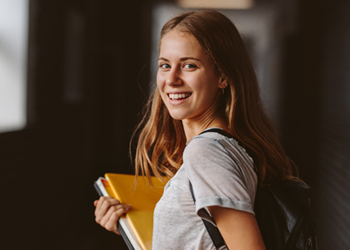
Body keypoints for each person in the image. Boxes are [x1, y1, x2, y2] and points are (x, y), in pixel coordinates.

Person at [94, 10, 296, 250]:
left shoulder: (206, 153)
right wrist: (129, 227)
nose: (172, 79)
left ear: (222, 75)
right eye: (165, 65)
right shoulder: (223, 147)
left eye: (189, 65)